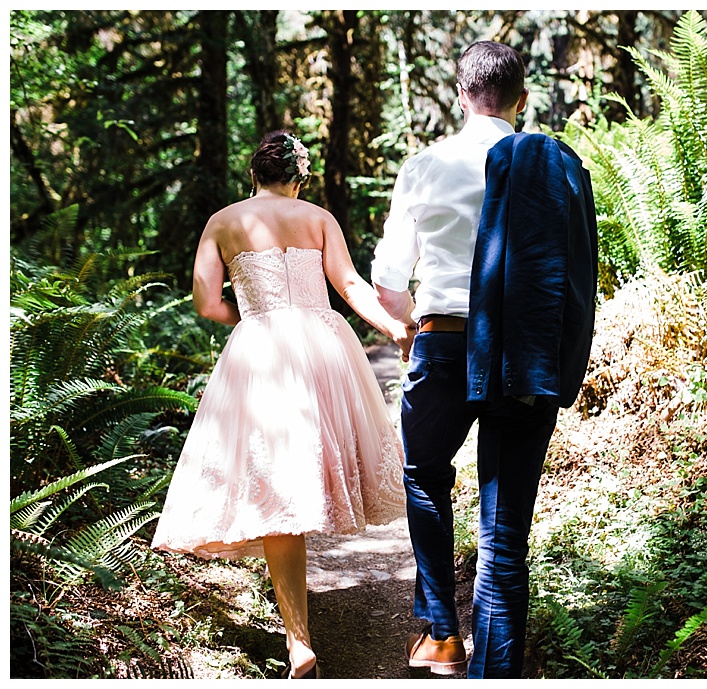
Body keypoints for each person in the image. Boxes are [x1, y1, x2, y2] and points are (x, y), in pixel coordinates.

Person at [152, 130, 415, 679]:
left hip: (262, 353)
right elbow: (348, 284)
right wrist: (393, 326)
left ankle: (300, 639)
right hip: (325, 348)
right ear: (299, 177)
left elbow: (206, 302)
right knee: (326, 464)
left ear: (254, 175)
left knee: (276, 491)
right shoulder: (318, 218)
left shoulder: (222, 223)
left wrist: (250, 323)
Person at [372, 41, 598, 678]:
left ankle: (441, 634)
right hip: (522, 351)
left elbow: (389, 278)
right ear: (521, 100)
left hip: (443, 341)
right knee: (503, 535)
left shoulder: (425, 166)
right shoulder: (551, 170)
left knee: (423, 473)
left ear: (461, 94)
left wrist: (409, 328)